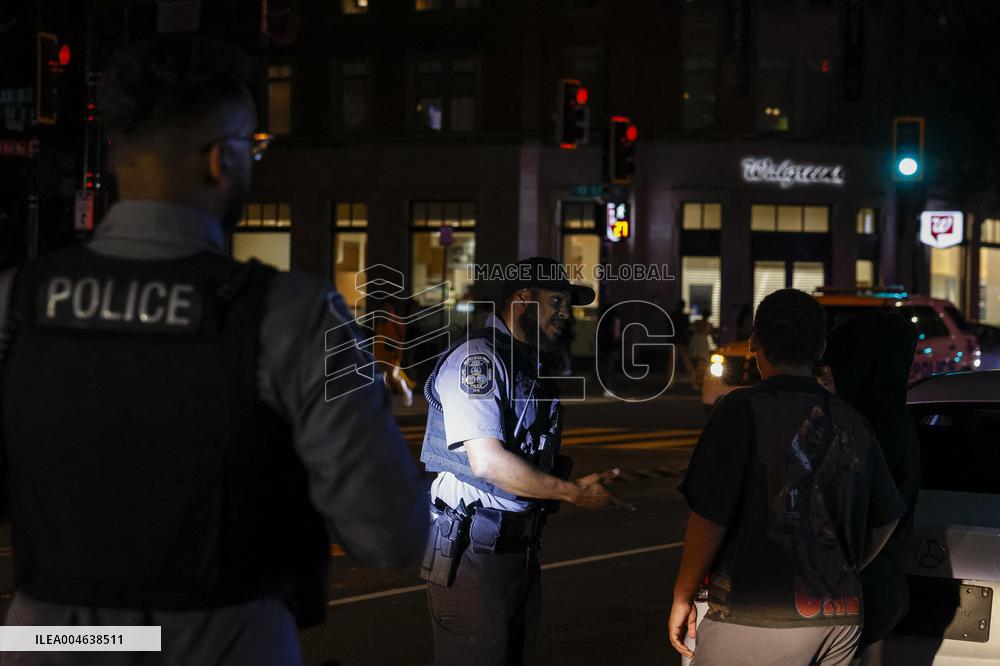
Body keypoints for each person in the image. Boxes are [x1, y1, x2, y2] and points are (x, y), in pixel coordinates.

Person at [0, 36, 426, 665]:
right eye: (254, 148)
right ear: (220, 160)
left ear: (118, 154)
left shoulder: (17, 302)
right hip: (221, 641)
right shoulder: (297, 315)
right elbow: (390, 534)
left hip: (48, 640)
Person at [668, 289, 906, 666]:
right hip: (839, 617)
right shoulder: (852, 420)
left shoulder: (740, 410)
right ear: (821, 347)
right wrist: (844, 566)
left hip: (756, 610)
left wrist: (683, 596)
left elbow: (710, 518)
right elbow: (888, 514)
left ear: (754, 343)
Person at [419, 257, 634, 666]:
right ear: (522, 299)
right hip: (474, 554)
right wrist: (573, 493)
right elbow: (489, 463)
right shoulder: (477, 361)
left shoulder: (522, 362)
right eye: (556, 301)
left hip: (515, 548)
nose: (566, 314)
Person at [822, 312, 920, 666]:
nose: (829, 375)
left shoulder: (859, 426)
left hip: (858, 584)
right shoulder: (897, 417)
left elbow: (879, 515)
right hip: (885, 583)